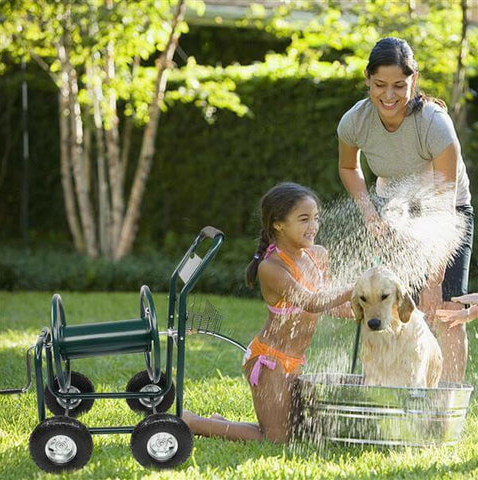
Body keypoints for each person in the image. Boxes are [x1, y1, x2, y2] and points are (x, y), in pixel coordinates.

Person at [337, 37, 474, 382]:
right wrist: (369, 213)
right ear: (368, 78)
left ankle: (446, 398)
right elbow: (348, 167)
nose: (389, 95)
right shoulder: (355, 121)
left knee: (443, 307)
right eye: (380, 84)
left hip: (447, 210)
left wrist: (436, 268)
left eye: (399, 85)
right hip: (393, 210)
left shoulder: (434, 124)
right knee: (389, 302)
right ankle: (390, 386)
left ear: (414, 80)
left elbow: (444, 203)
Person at [183, 182, 353, 442]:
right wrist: (355, 287)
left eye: (316, 218)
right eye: (304, 219)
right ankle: (193, 422)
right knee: (275, 440)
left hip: (295, 363)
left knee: (301, 434)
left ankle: (220, 423)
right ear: (278, 224)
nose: (313, 226)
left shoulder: (318, 255)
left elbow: (332, 305)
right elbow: (311, 302)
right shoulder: (271, 267)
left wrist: (366, 308)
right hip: (269, 361)